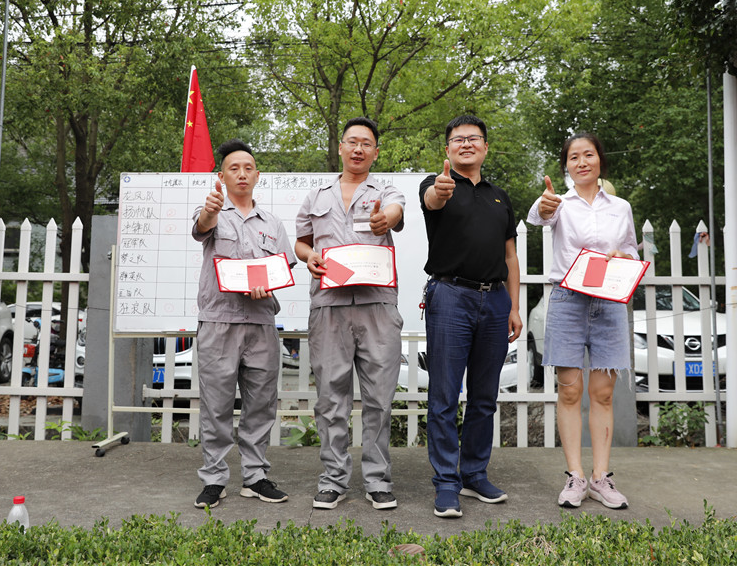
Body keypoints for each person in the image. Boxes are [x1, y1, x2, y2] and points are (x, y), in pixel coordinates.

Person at [294, 116, 405, 511]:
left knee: (379, 399)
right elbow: (301, 242)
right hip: (329, 306)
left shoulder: (386, 190)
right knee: (330, 398)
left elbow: (394, 212)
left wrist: (385, 218)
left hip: (377, 304)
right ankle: (333, 479)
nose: (358, 149)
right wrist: (309, 256)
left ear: (375, 152)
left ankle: (378, 481)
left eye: (366, 143)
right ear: (341, 147)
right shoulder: (316, 195)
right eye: (352, 142)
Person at [526, 132, 638, 510]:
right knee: (570, 391)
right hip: (567, 300)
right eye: (574, 157)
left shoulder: (620, 207)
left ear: (599, 159)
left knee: (603, 393)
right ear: (566, 166)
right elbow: (537, 216)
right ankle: (575, 476)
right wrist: (544, 204)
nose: (582, 162)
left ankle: (601, 478)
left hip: (609, 302)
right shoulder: (559, 203)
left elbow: (631, 250)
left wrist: (623, 257)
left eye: (588, 155)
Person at [419, 114, 523, 518]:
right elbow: (433, 200)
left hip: (495, 301)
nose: (466, 144)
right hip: (450, 296)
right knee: (445, 396)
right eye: (458, 139)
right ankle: (446, 482)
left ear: (485, 147)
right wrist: (440, 190)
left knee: (485, 396)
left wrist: (514, 306)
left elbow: (510, 256)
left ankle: (474, 474)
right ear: (447, 149)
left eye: (474, 138)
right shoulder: (436, 183)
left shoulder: (500, 197)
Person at [192, 139, 297, 509]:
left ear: (257, 175)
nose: (241, 174)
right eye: (233, 168)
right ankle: (214, 480)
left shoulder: (272, 223)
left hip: (261, 322)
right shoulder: (212, 211)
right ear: (221, 176)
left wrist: (268, 283)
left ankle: (255, 477)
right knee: (216, 405)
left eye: (248, 168)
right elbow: (201, 227)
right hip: (219, 321)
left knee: (261, 405)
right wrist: (210, 211)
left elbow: (282, 268)